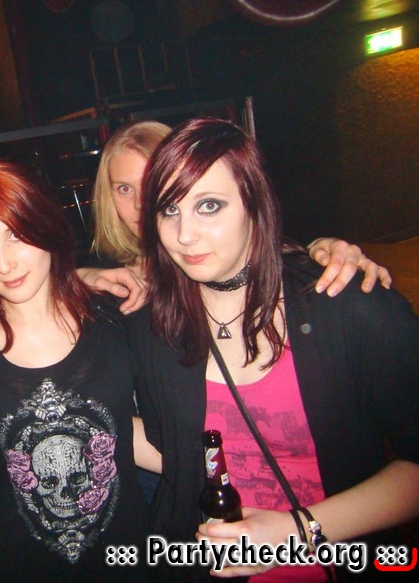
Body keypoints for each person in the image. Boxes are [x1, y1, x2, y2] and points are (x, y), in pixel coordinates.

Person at [131, 117, 419, 581]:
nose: (184, 234)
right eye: (169, 209)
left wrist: (296, 532)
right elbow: (169, 449)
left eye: (209, 206)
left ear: (255, 203)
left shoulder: (349, 307)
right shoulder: (154, 327)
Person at [0, 160, 149, 581]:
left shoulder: (115, 320)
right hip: (24, 568)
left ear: (44, 226)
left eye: (15, 235)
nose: (3, 263)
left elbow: (136, 435)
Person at [80, 120, 392, 315]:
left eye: (153, 185)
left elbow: (271, 258)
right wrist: (76, 280)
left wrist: (322, 251)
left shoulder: (210, 257)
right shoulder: (105, 277)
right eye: (124, 189)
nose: (141, 204)